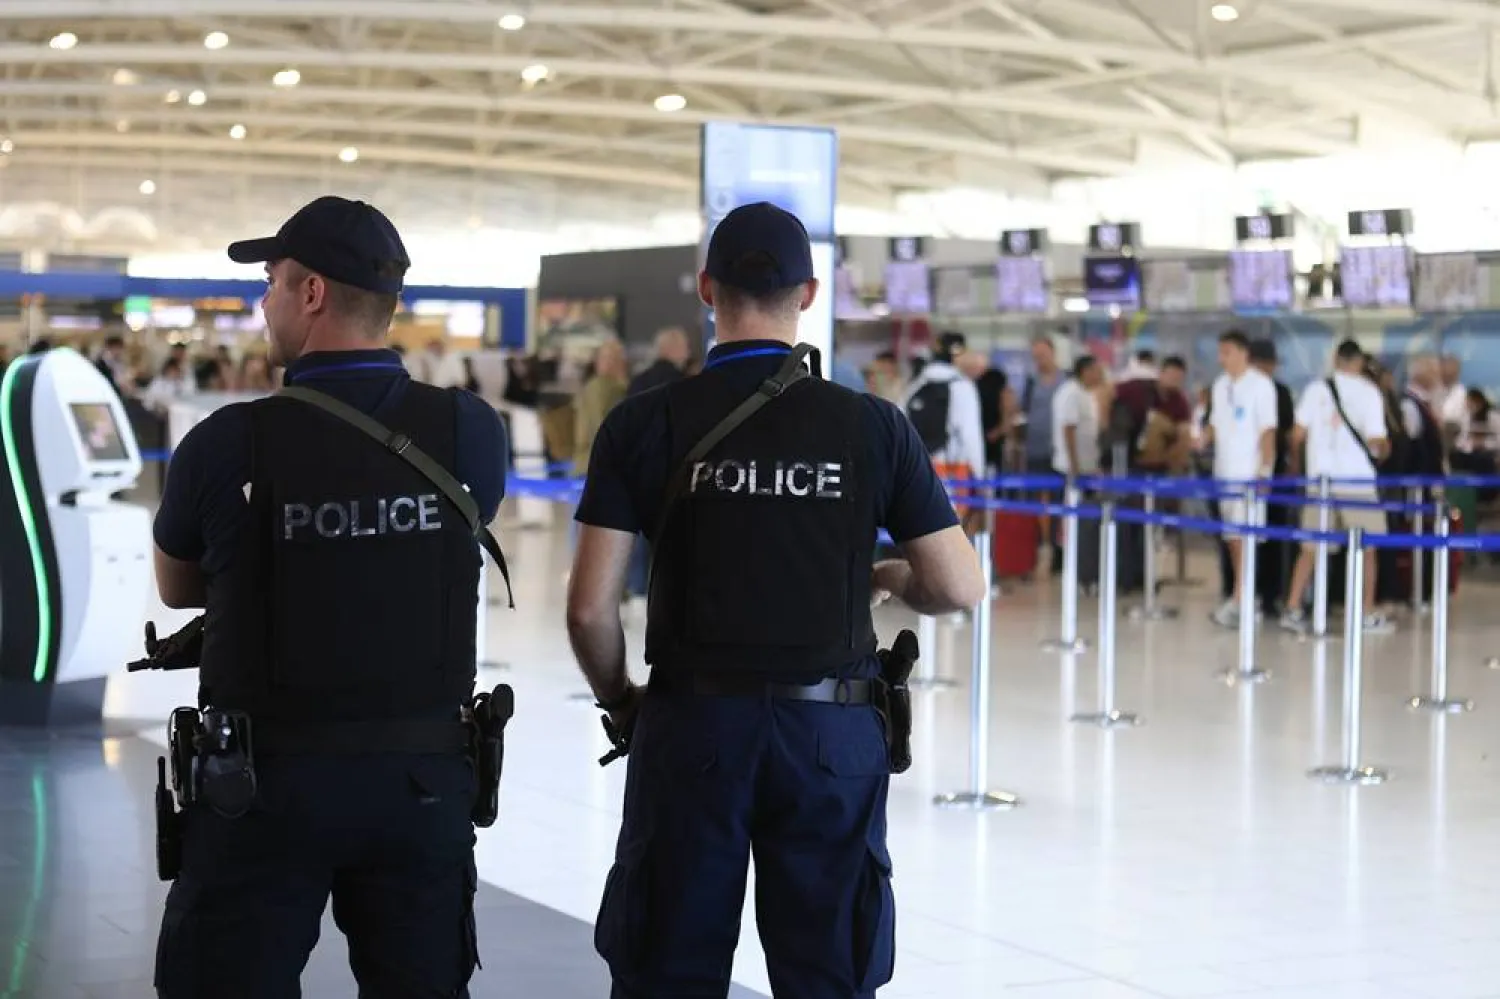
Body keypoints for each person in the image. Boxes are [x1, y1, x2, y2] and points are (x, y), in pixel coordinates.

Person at [566, 201, 983, 998]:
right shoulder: (871, 426)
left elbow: (589, 608)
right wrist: (889, 575)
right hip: (832, 734)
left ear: (706, 289)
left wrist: (624, 702)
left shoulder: (643, 421)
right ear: (812, 292)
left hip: (692, 728)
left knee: (666, 972)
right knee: (829, 974)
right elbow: (959, 583)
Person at [150, 195, 509, 997]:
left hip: (262, 787)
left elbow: (177, 588)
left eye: (272, 281)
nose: (263, 300)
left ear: (311, 292)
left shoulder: (227, 441)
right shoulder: (469, 431)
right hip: (421, 786)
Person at [1279, 339, 1394, 636]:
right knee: (1368, 549)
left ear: (1336, 359)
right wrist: (1385, 448)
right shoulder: (1370, 392)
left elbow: (1297, 435)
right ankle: (1365, 612)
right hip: (1357, 481)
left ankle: (1292, 608)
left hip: (1322, 481)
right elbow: (1376, 441)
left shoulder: (1316, 389)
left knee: (1311, 549)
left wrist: (1297, 465)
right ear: (1359, 362)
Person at [1201, 329, 1277, 629]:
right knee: (1233, 539)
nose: (1222, 359)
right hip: (1224, 473)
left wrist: (1265, 471)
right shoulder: (1220, 386)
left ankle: (1243, 599)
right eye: (1220, 353)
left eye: (1227, 352)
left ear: (1244, 353)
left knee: (1246, 539)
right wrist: (1200, 439)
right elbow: (1215, 425)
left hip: (1249, 474)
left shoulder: (1261, 386)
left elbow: (1267, 430)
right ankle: (1240, 596)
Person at [901, 331, 986, 533]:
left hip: (918, 468)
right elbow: (970, 435)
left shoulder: (916, 385)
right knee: (951, 532)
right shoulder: (963, 386)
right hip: (954, 469)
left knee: (920, 532)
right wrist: (981, 478)